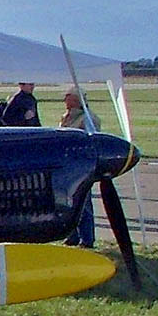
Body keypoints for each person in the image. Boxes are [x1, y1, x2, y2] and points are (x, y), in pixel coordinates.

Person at [60, 86, 101, 248]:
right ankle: (72, 236)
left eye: (68, 97)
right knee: (68, 202)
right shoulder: (67, 117)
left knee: (83, 203)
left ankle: (87, 238)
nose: (65, 101)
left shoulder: (88, 119)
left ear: (76, 100)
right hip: (67, 166)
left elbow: (91, 143)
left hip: (81, 168)